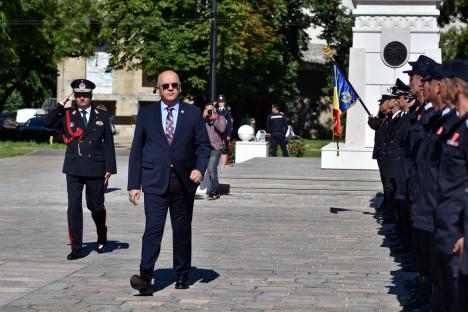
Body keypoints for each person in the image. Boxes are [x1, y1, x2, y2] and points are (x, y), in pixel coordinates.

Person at [127, 70, 211, 295]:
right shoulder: (147, 115)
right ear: (159, 89)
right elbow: (136, 151)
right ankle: (145, 277)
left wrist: (199, 169)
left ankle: (182, 274)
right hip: (154, 181)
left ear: (180, 87)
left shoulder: (192, 113)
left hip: (183, 182)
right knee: (153, 229)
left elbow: (203, 146)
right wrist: (134, 184)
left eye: (174, 84)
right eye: (166, 86)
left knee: (182, 230)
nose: (170, 88)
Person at [44, 79, 117, 260]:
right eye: (78, 95)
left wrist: (109, 168)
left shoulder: (101, 115)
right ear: (74, 96)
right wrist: (61, 104)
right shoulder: (67, 114)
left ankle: (102, 233)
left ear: (91, 96)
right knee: (74, 207)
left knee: (96, 207)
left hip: (95, 168)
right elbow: (47, 123)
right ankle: (76, 247)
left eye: (85, 95)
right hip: (74, 167)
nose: (82, 98)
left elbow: (108, 143)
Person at [203, 102, 227, 200]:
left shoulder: (220, 118)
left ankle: (213, 192)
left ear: (214, 109)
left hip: (216, 147)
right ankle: (216, 191)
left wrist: (214, 120)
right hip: (205, 148)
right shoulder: (203, 120)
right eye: (207, 110)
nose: (209, 112)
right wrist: (202, 117)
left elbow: (222, 129)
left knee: (211, 169)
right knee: (212, 170)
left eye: (211, 110)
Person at [215, 95, 233, 168]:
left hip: (225, 132)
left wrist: (229, 134)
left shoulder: (227, 111)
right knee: (217, 148)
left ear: (224, 102)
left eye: (222, 102)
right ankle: (218, 165)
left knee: (224, 149)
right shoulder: (215, 110)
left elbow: (229, 123)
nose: (220, 103)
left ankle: (223, 167)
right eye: (219, 101)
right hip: (216, 133)